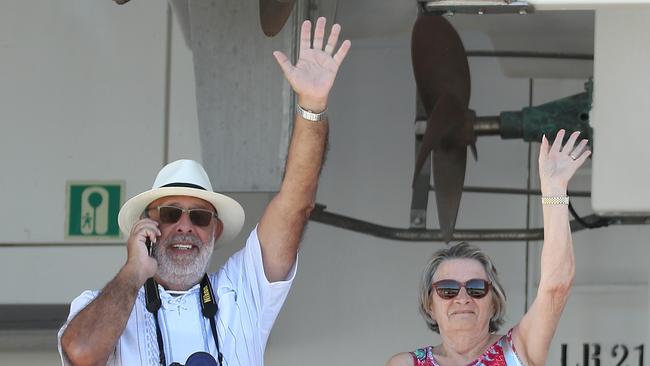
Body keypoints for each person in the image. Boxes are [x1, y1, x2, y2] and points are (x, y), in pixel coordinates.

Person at [58, 17, 350, 366]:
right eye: (169, 214)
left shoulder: (240, 291)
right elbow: (81, 354)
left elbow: (295, 206)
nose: (184, 226)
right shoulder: (105, 301)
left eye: (198, 216)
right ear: (146, 227)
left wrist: (312, 107)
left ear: (216, 230)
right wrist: (134, 272)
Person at [387, 130, 591, 366]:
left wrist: (554, 190)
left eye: (476, 288)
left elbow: (556, 286)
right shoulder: (405, 364)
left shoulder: (519, 349)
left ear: (494, 302)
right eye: (447, 289)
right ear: (429, 305)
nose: (462, 298)